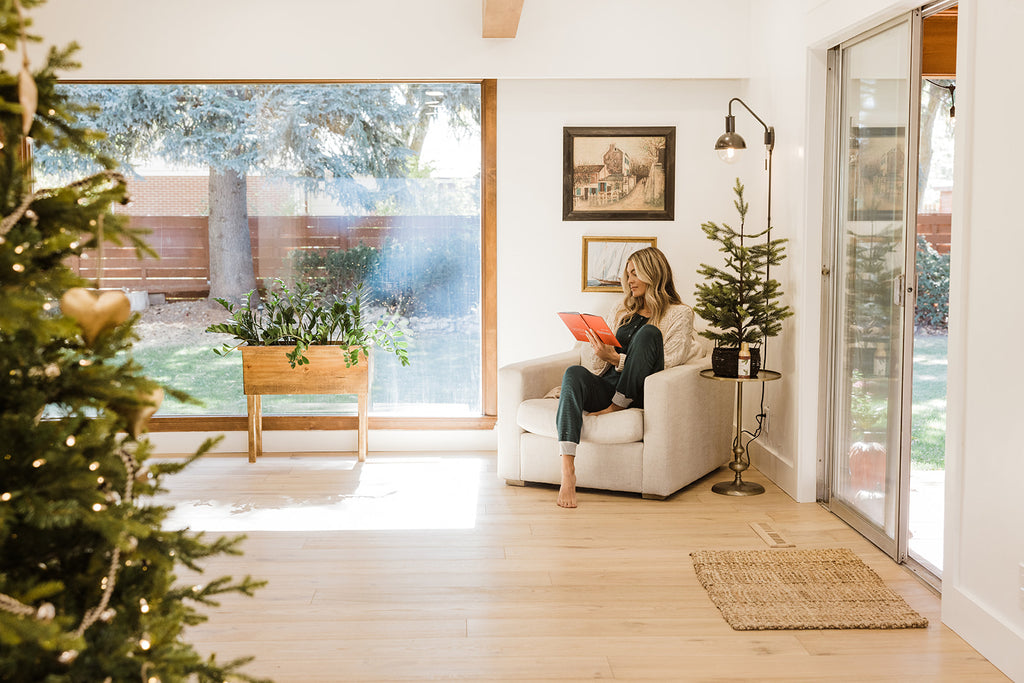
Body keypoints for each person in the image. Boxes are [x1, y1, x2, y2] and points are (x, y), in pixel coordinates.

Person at [555, 246, 694, 508]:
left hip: (642, 391)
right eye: (627, 274)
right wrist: (596, 347)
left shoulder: (679, 314)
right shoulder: (621, 309)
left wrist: (615, 358)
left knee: (649, 334)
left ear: (653, 273)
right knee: (573, 373)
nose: (629, 280)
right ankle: (567, 471)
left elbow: (672, 362)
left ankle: (615, 408)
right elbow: (597, 364)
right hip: (608, 384)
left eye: (635, 273)